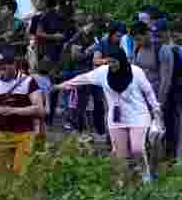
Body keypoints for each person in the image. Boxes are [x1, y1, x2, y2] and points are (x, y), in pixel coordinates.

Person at [55, 48, 161, 184]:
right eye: (109, 61)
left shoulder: (135, 71)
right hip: (116, 118)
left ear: (121, 60)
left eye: (114, 62)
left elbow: (148, 92)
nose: (111, 65)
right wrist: (62, 86)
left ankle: (145, 175)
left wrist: (156, 110)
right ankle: (122, 181)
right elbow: (84, 78)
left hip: (138, 115)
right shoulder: (103, 72)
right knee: (120, 155)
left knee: (137, 148)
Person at [0, 53, 43, 180]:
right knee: (4, 175)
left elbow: (38, 108)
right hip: (3, 134)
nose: (0, 72)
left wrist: (13, 111)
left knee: (20, 174)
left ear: (13, 65)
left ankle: (23, 198)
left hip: (24, 134)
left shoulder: (29, 82)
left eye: (3, 68)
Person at [157, 19, 182, 160]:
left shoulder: (177, 49)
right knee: (172, 122)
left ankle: (175, 155)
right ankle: (172, 154)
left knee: (175, 122)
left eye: (159, 33)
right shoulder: (173, 49)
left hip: (176, 91)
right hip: (176, 90)